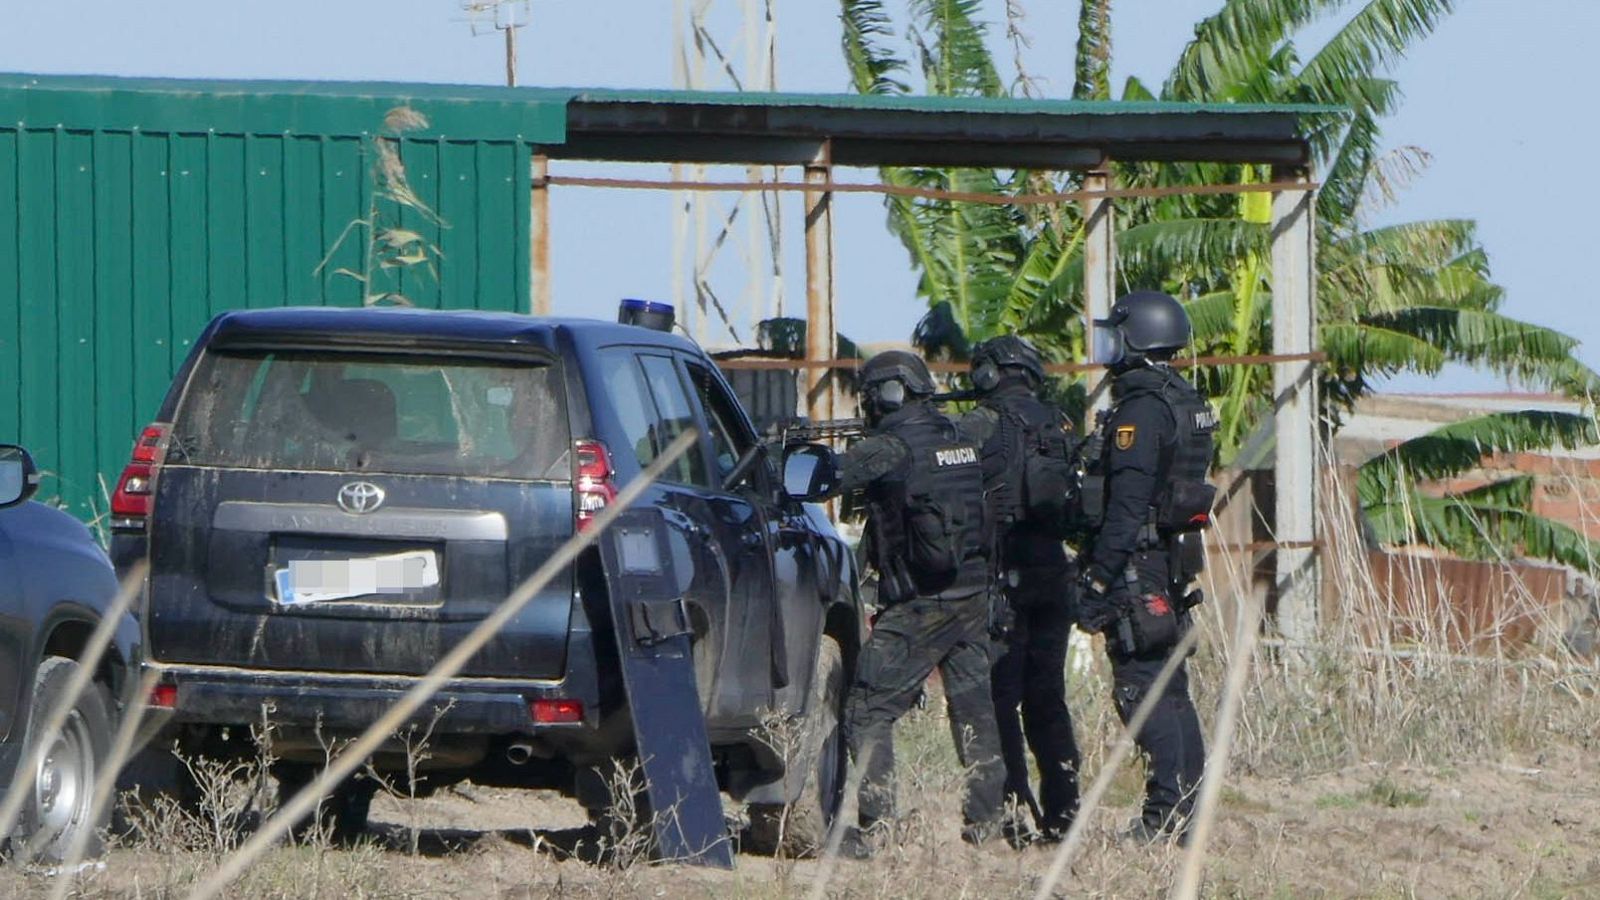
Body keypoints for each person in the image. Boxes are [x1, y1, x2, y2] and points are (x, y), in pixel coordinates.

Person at [829, 350, 1006, 852]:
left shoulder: (890, 446)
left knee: (866, 708)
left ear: (887, 394)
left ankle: (876, 829)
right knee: (975, 711)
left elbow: (828, 477)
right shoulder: (960, 437)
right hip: (973, 595)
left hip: (921, 603)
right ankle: (986, 826)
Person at [1076, 290, 1217, 844]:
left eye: (1116, 335)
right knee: (1171, 688)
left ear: (1139, 338)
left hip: (1137, 564)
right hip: (1170, 558)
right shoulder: (1185, 399)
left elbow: (1128, 505)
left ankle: (1165, 817)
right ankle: (1186, 812)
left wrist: (1097, 577)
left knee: (1142, 686)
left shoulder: (1142, 409)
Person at [957, 335, 1082, 843]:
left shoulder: (978, 425)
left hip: (1002, 576)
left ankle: (1009, 813)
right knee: (1048, 697)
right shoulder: (1059, 423)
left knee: (999, 699)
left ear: (989, 374)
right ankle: (1064, 811)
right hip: (1054, 571)